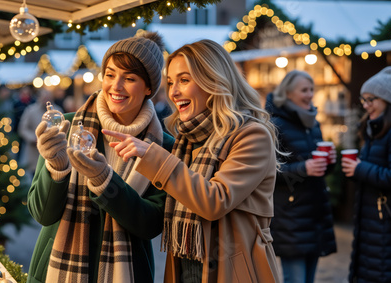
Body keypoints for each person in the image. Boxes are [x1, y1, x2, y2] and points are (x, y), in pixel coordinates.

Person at [103, 39, 282, 282]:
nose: (174, 92)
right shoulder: (187, 141)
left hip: (234, 272)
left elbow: (214, 201)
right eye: (170, 82)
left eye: (184, 80)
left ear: (214, 80)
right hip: (186, 271)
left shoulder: (252, 135)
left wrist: (154, 156)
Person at [26, 31, 174, 283]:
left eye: (129, 78)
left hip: (127, 273)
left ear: (149, 87)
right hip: (55, 269)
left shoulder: (163, 147)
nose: (115, 86)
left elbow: (150, 224)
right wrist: (57, 168)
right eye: (110, 74)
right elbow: (42, 214)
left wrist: (106, 181)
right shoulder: (67, 128)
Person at [264, 70, 337, 283]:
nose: (310, 95)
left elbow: (317, 168)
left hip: (315, 213)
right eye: (304, 90)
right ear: (287, 93)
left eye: (312, 89)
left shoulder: (313, 124)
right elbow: (268, 173)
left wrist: (328, 162)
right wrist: (303, 169)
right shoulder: (274, 124)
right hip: (291, 217)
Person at [342, 66, 391, 283]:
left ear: (387, 99)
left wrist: (360, 169)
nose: (365, 105)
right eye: (363, 100)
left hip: (386, 223)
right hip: (373, 221)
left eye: (370, 99)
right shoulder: (375, 128)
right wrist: (355, 171)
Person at [18, 89, 62, 176]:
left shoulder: (58, 111)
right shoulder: (30, 110)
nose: (46, 101)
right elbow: (23, 128)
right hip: (34, 152)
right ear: (39, 98)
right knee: (35, 176)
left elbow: (62, 128)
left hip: (53, 151)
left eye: (48, 98)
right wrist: (33, 138)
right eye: (44, 98)